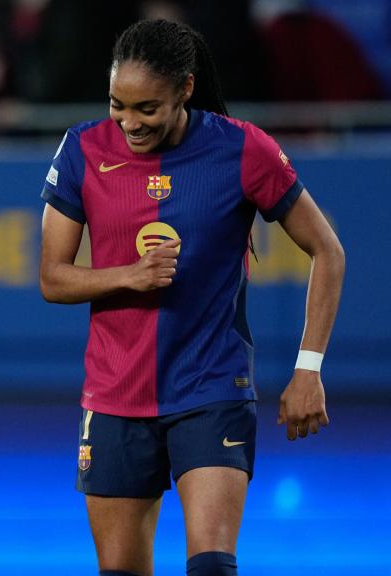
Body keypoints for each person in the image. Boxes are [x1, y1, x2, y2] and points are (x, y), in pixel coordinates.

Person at [38, 19, 344, 576]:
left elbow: (328, 251)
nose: (129, 122)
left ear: (185, 88)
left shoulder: (244, 148)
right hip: (114, 397)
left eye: (146, 109)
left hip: (212, 387)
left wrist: (309, 368)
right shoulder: (82, 147)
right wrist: (129, 275)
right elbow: (53, 279)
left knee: (211, 566)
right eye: (117, 105)